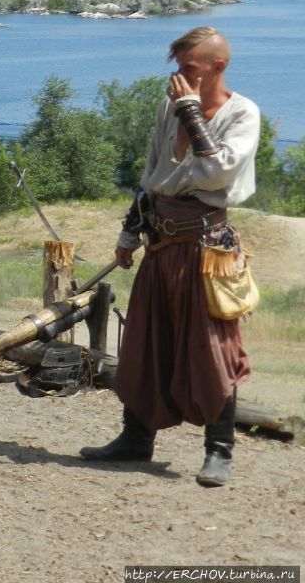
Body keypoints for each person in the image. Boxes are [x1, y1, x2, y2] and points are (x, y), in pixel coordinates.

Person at [79, 26, 258, 488]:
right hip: (160, 246)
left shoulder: (243, 114)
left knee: (214, 352)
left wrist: (190, 111)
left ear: (218, 66)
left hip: (206, 253)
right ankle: (135, 440)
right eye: (178, 66)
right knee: (144, 344)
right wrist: (129, 230)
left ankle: (219, 451)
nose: (180, 76)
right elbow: (151, 177)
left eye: (190, 67)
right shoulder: (167, 108)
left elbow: (218, 168)